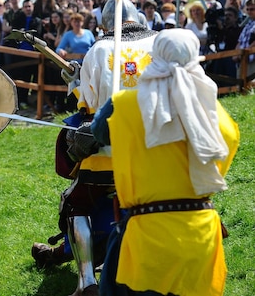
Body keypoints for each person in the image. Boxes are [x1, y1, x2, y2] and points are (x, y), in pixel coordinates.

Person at [92, 29, 239, 296]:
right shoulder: (219, 118)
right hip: (201, 234)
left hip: (147, 234)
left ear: (154, 56)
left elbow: (99, 133)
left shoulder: (123, 104)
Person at [31, 0, 156, 296]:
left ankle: (86, 282)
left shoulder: (99, 50)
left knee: (75, 204)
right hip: (153, 153)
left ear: (103, 21)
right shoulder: (159, 44)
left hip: (107, 156)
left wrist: (75, 83)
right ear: (136, 16)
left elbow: (89, 108)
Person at [235, 0, 255, 77]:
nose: (249, 12)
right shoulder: (247, 25)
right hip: (243, 61)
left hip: (252, 60)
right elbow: (240, 42)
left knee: (251, 87)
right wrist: (236, 54)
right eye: (248, 9)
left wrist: (245, 52)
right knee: (241, 87)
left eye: (252, 9)